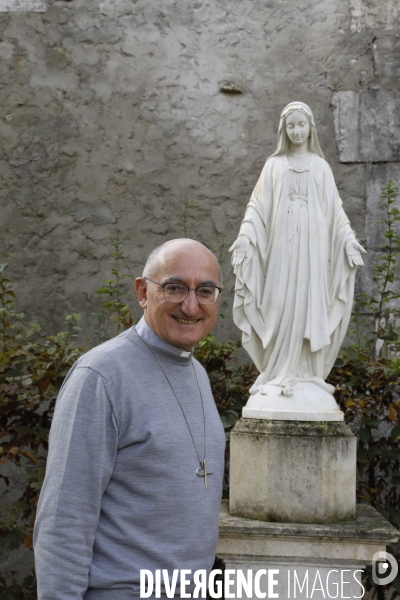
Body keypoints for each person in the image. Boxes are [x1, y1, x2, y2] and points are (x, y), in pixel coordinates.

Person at [33, 238, 226, 600]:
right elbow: (64, 521)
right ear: (142, 292)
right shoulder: (100, 376)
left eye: (205, 290)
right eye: (174, 288)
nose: (190, 305)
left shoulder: (197, 373)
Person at [229, 101, 366, 398]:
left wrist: (348, 238)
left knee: (308, 305)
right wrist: (245, 237)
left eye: (301, 124)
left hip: (313, 252)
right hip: (281, 251)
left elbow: (335, 212)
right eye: (291, 125)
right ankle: (276, 372)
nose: (296, 131)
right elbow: (257, 207)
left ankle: (307, 373)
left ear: (310, 127)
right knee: (278, 303)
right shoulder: (274, 166)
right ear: (283, 129)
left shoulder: (320, 167)